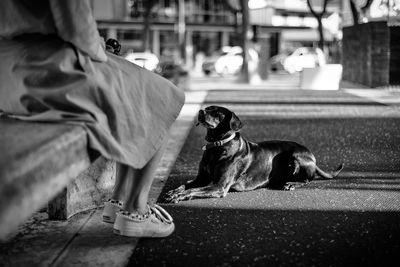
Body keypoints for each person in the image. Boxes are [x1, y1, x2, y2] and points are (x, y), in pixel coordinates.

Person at [0, 0, 185, 238]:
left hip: (9, 73)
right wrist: (100, 48)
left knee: (135, 94)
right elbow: (77, 28)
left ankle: (118, 200)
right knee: (161, 95)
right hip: (51, 68)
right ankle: (136, 210)